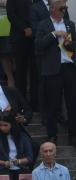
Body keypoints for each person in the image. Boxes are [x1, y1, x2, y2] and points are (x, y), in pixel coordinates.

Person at [36, 0, 76, 146]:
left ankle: (73, 135)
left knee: (72, 104)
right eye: (61, 8)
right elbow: (38, 45)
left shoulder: (70, 24)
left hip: (69, 67)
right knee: (53, 104)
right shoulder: (43, 24)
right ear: (52, 8)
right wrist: (54, 34)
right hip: (53, 70)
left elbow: (75, 45)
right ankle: (52, 135)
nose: (63, 10)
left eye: (65, 8)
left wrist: (69, 44)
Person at [0, 113, 32, 180]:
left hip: (19, 167)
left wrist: (19, 161)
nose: (2, 128)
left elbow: (30, 157)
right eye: (0, 125)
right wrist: (4, 163)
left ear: (12, 124)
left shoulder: (23, 137)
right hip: (0, 168)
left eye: (6, 125)